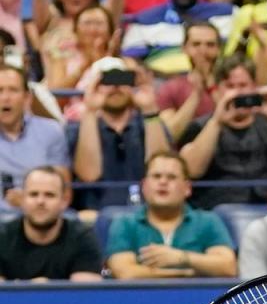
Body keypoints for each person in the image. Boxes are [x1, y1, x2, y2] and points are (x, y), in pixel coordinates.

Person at [179, 54, 267, 209]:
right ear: (218, 89)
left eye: (243, 85)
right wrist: (216, 122)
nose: (237, 92)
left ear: (255, 87)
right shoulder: (200, 127)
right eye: (230, 86)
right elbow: (191, 171)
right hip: (215, 208)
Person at [105, 152, 236, 279]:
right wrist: (186, 273)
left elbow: (228, 267)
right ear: (144, 186)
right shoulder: (125, 223)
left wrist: (181, 257)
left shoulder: (208, 221)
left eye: (171, 177)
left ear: (187, 188)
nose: (163, 182)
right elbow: (125, 273)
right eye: (156, 176)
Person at [69, 58, 171, 209]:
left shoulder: (150, 124)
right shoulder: (77, 129)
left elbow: (162, 169)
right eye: (107, 81)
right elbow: (89, 175)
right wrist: (90, 111)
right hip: (95, 212)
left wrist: (149, 110)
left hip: (147, 211)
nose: (116, 87)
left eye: (123, 79)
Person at [121, 0, 235, 75]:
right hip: (158, 84)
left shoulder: (225, 15)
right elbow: (130, 60)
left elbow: (236, 54)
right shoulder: (145, 20)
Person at [0, 166, 101, 281]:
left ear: (64, 201)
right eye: (33, 194)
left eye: (49, 195)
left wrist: (46, 291)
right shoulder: (2, 236)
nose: (40, 201)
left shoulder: (82, 238)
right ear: (22, 199)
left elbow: (86, 294)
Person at [0, 65, 70, 211]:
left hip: (40, 214)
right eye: (0, 90)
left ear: (27, 98)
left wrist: (27, 202)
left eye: (13, 90)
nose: (5, 98)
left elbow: (65, 194)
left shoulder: (51, 131)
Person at [156, 21, 221, 142]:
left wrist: (212, 88)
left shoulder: (233, 83)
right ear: (184, 48)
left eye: (210, 45)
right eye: (196, 44)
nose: (203, 51)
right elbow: (170, 136)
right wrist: (196, 95)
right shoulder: (171, 88)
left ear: (219, 49)